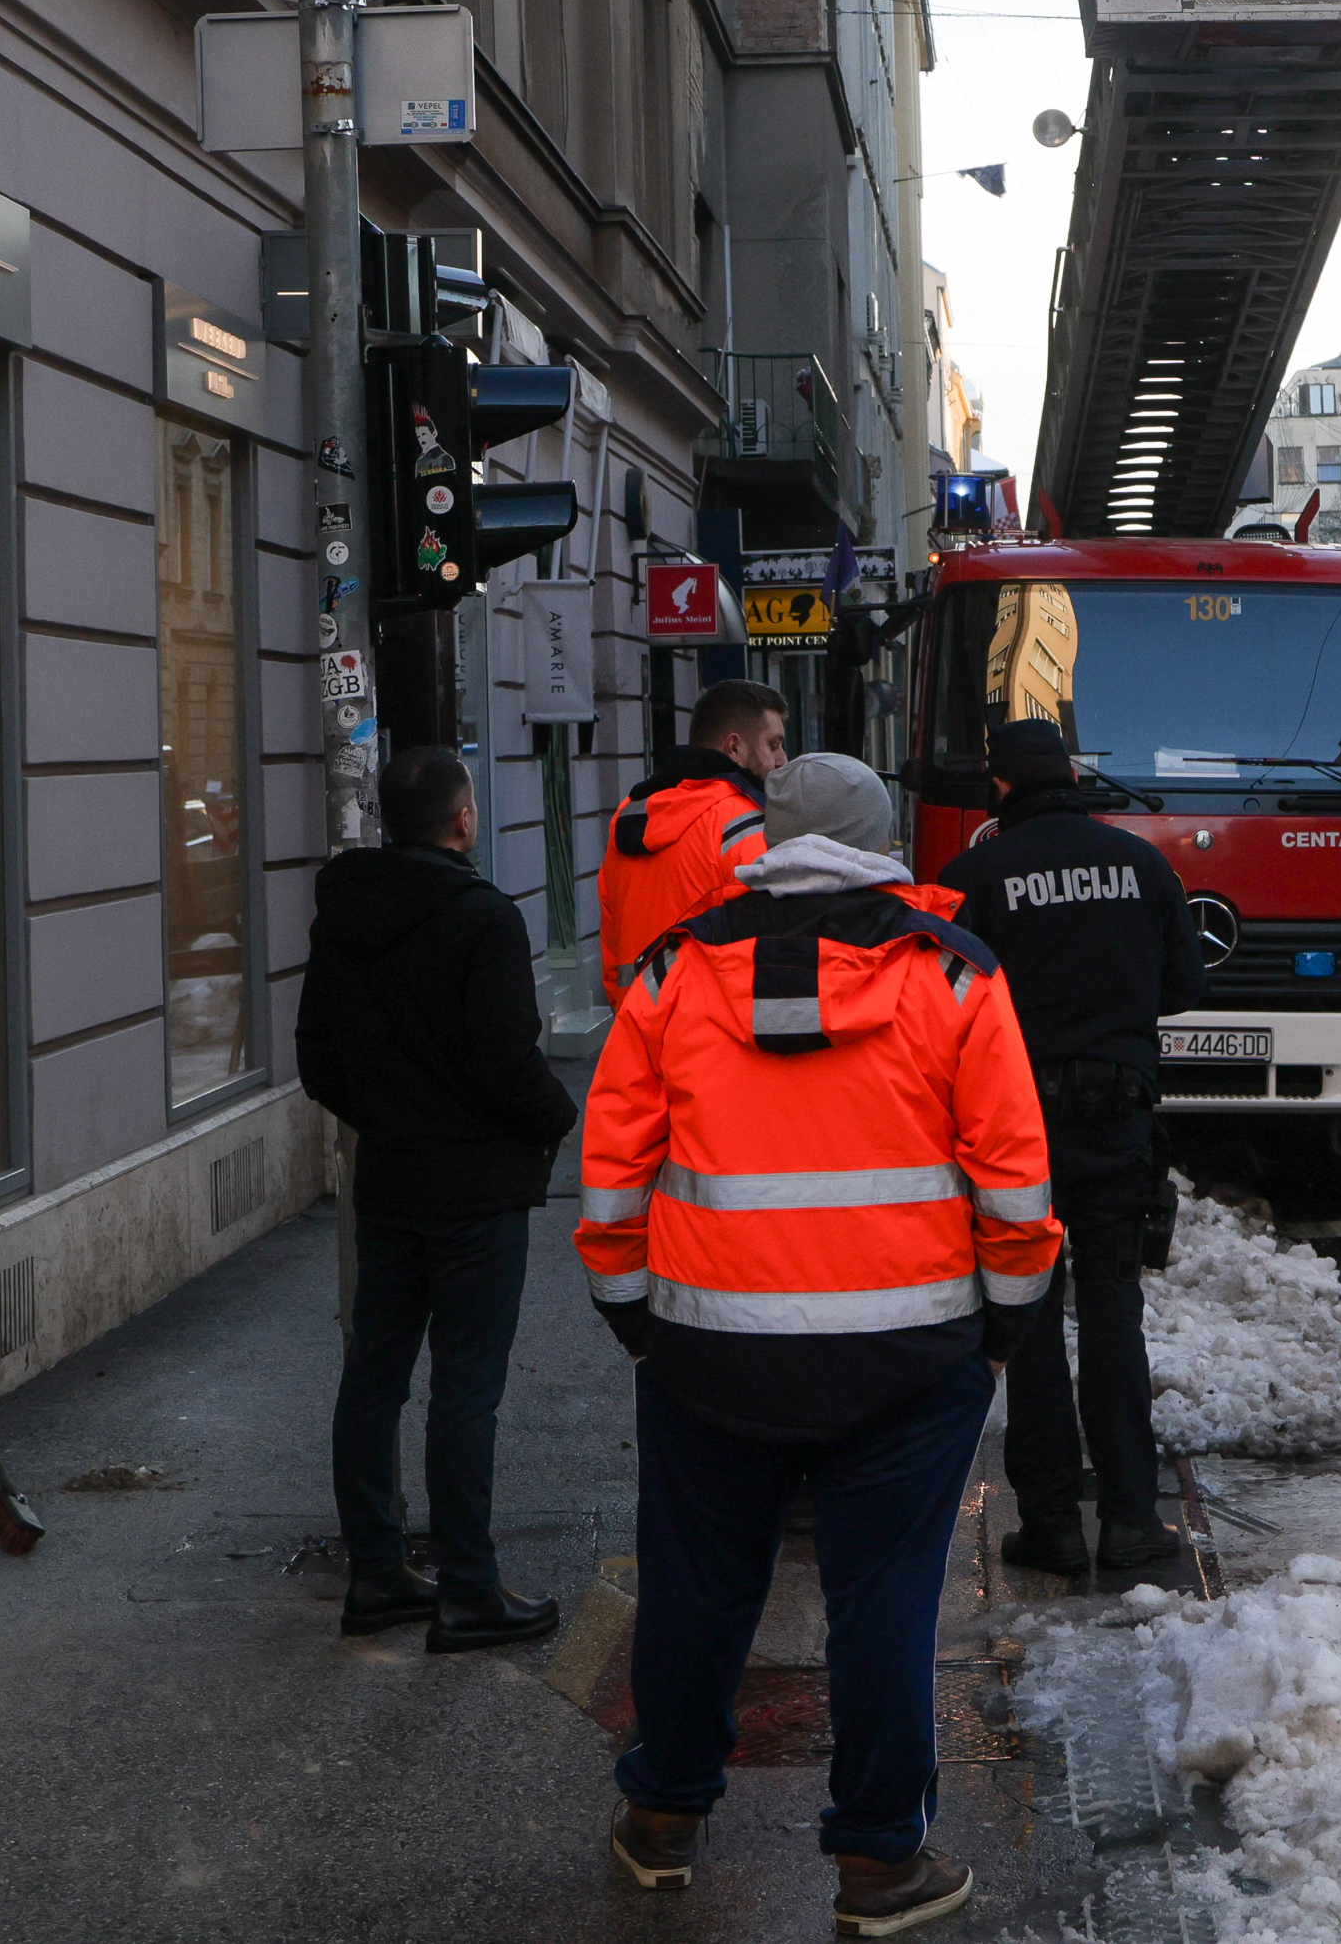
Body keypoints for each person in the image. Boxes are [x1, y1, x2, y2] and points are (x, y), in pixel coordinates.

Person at [585, 753, 1059, 1935]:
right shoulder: (952, 976)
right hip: (907, 1359)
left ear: (765, 839)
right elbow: (1012, 1180)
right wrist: (999, 1329)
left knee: (694, 1594)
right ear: (886, 838)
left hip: (708, 1355)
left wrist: (639, 1323)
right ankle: (877, 1865)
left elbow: (611, 1179)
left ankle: (661, 1823)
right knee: (885, 1608)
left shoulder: (671, 973)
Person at [295, 744, 576, 1653]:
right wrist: (552, 1115)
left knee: (373, 1374)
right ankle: (468, 1587)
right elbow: (507, 1057)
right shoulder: (482, 918)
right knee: (466, 1386)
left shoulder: (341, 914)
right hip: (476, 1185)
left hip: (392, 1176)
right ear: (463, 821)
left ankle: (376, 1571)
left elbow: (317, 1058)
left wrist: (389, 1115)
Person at [941, 717, 1198, 1577]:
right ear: (1072, 775)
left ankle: (1050, 1523)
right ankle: (1131, 1517)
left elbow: (941, 1006)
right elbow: (1185, 984)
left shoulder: (973, 876)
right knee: (1115, 1307)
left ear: (1000, 785)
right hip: (1118, 1117)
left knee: (1032, 1315)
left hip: (1014, 1124)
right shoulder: (1139, 862)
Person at [600, 676, 788, 995]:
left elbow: (611, 938)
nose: (782, 758)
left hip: (637, 1022)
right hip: (711, 1030)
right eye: (773, 744)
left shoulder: (629, 815)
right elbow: (771, 949)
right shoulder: (746, 822)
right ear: (735, 747)